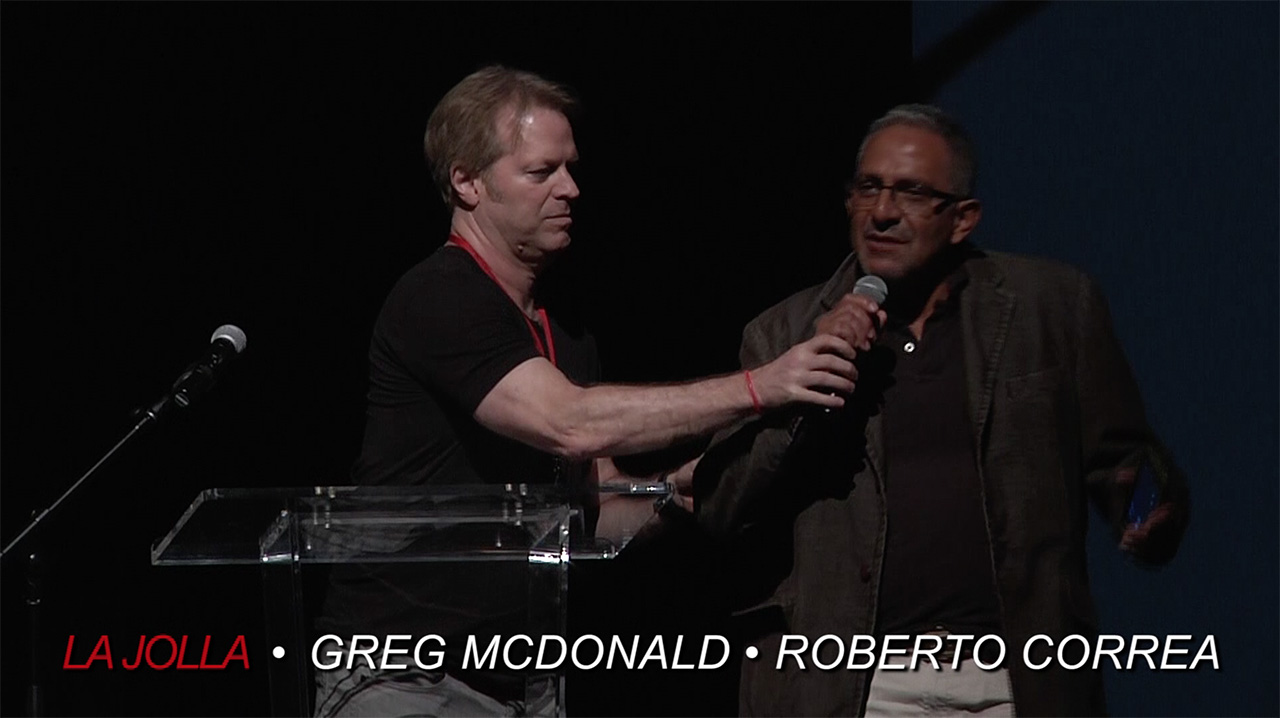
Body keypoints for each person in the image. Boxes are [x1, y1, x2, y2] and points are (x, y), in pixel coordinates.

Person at [313, 65, 861, 717]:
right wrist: (763, 384)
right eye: (541, 172)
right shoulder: (440, 296)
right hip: (405, 674)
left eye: (570, 168)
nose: (570, 189)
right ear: (466, 182)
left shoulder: (562, 329)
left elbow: (596, 510)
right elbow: (568, 423)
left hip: (523, 681)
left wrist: (674, 495)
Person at [694, 104, 1190, 716]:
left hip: (1014, 682)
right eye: (868, 188)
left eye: (911, 193)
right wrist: (805, 384)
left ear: (962, 219)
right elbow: (722, 505)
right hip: (852, 687)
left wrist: (1149, 508)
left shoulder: (1052, 310)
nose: (881, 212)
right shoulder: (783, 333)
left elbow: (1129, 461)